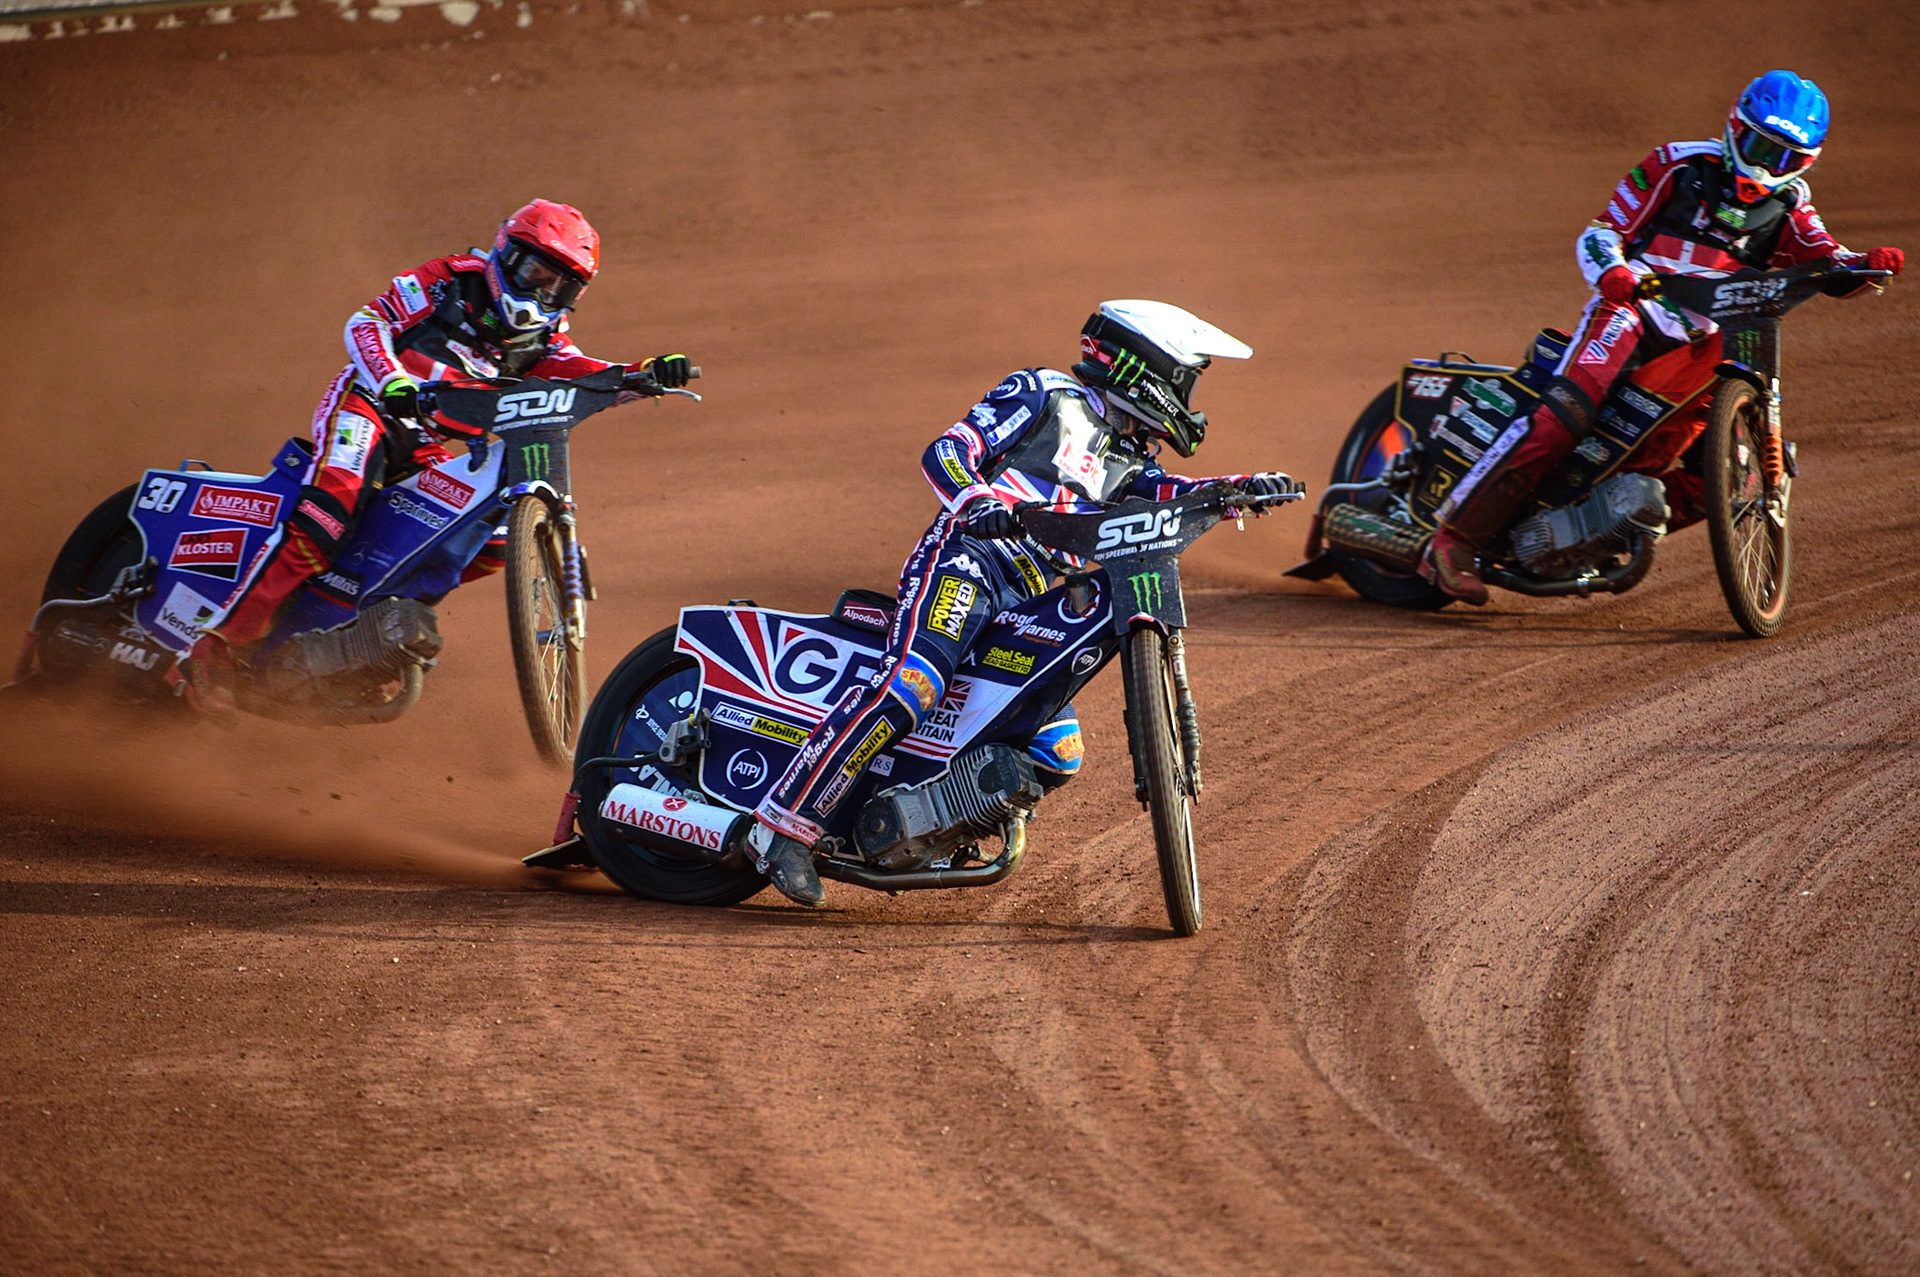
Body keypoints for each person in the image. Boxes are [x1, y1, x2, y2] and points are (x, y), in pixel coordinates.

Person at [747, 299, 1297, 906]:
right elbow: (948, 451)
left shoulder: (1129, 455)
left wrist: (1238, 490)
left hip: (1031, 593)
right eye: (1186, 381)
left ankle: (933, 819)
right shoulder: (1043, 392)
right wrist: (975, 500)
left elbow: (1170, 492)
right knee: (914, 683)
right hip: (968, 563)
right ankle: (783, 827)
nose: (1190, 402)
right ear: (1148, 368)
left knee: (1055, 750)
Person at [172, 199, 694, 709]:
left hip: (428, 443)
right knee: (326, 520)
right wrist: (393, 379)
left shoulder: (547, 335)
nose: (545, 291)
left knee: (486, 543)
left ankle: (365, 633)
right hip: (371, 408)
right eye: (537, 271)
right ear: (507, 256)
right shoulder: (451, 278)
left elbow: (580, 374)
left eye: (563, 284)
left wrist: (643, 375)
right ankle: (213, 644)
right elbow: (365, 323)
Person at [1421, 70, 1905, 605]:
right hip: (1633, 315)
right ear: (1733, 129)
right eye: (1759, 146)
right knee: (1566, 417)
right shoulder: (1676, 164)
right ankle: (1452, 542)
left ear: (1807, 162)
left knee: (1716, 486)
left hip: (1710, 345)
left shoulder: (1792, 206)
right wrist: (1612, 272)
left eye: (1786, 157)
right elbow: (1602, 231)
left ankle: (1601, 525)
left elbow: (1825, 258)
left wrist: (1865, 268)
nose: (1768, 166)